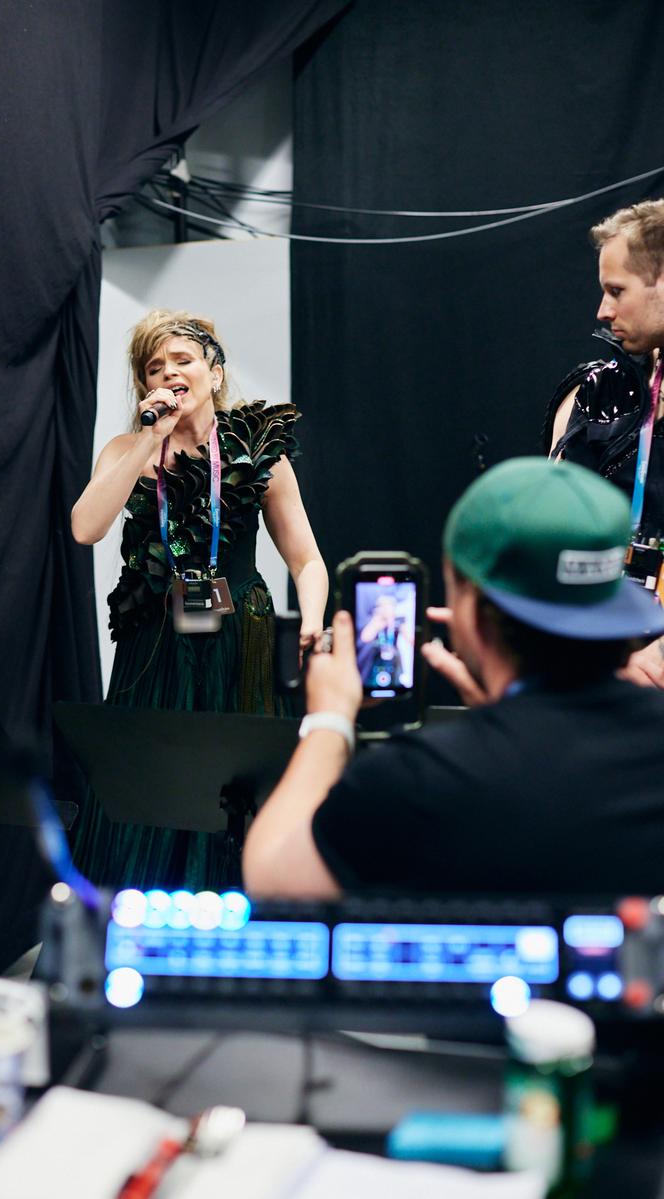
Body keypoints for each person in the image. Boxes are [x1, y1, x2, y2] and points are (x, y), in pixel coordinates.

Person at [242, 457, 664, 899]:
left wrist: (329, 720)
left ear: (472, 612)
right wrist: (509, 716)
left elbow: (273, 877)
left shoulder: (418, 780)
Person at [71, 309, 327, 890]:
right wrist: (149, 439)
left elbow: (307, 560)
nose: (168, 374)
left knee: (239, 782)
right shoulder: (126, 450)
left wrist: (312, 622)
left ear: (214, 372)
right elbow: (85, 528)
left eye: (182, 360)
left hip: (243, 639)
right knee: (151, 777)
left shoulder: (258, 452)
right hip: (154, 642)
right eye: (153, 368)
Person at [544, 200, 664, 686]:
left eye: (617, 291)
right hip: (595, 661)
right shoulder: (592, 392)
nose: (603, 310)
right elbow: (551, 538)